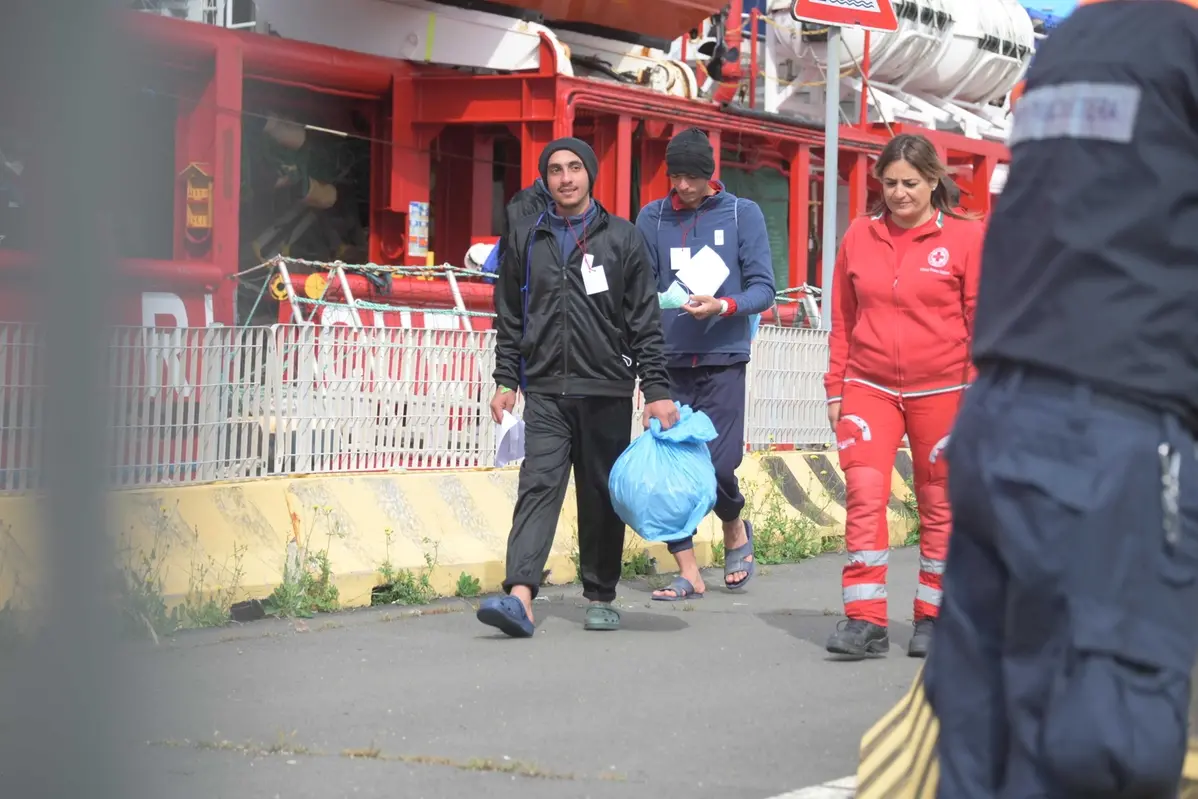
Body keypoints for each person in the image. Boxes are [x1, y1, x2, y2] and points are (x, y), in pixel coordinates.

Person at [925, 1, 1198, 796]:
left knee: (984, 733)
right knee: (1097, 743)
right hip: (1115, 436)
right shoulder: (1184, 48)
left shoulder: (1072, 40)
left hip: (1002, 416)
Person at [476, 137, 679, 638]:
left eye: (574, 168)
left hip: (606, 388)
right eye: (555, 170)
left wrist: (655, 388)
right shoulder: (528, 237)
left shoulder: (623, 239)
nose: (565, 178)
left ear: (590, 174)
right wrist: (506, 377)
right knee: (537, 487)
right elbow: (510, 314)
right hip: (545, 388)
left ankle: (600, 593)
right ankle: (520, 595)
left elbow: (644, 322)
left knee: (599, 495)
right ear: (545, 180)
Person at [822, 132, 984, 660]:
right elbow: (843, 320)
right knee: (865, 497)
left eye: (910, 183)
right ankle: (863, 620)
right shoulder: (859, 236)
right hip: (869, 388)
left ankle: (934, 616)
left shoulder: (965, 237)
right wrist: (835, 390)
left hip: (946, 390)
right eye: (889, 183)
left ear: (934, 181)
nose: (898, 193)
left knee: (941, 506)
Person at [634, 127, 776, 601]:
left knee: (718, 466)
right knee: (671, 467)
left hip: (723, 358)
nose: (684, 186)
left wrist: (723, 306)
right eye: (676, 176)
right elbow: (639, 288)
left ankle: (734, 525)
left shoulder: (742, 213)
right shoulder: (651, 218)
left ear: (709, 174)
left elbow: (763, 289)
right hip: (667, 362)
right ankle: (688, 570)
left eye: (692, 177)